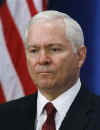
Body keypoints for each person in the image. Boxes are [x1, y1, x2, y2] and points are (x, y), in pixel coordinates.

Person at [0, 10, 100, 130]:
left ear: (80, 56)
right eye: (34, 50)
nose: (42, 59)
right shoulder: (5, 116)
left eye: (54, 49)